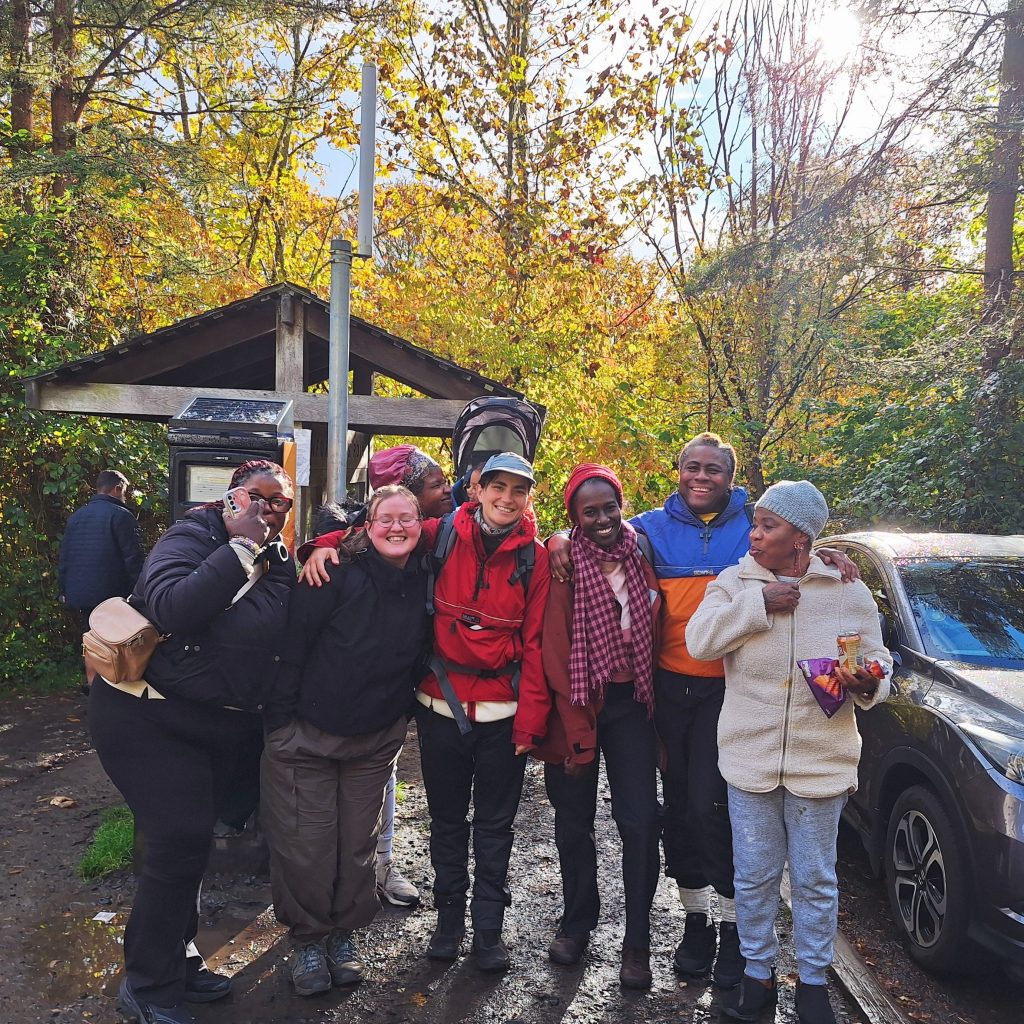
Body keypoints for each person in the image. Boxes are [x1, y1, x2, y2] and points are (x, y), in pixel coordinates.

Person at [547, 432, 857, 989]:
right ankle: (696, 920)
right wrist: (556, 540)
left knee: (713, 809)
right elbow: (596, 533)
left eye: (714, 469)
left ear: (731, 478)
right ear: (678, 471)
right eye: (691, 466)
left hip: (734, 693)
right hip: (665, 689)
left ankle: (737, 926)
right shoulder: (650, 530)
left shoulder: (754, 528)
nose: (701, 477)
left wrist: (829, 553)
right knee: (679, 813)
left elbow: (797, 546)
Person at [90, 459, 295, 1024]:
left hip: (210, 723)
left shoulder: (279, 560)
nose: (269, 510)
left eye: (282, 503)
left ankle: (177, 961)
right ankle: (148, 986)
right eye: (259, 497)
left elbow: (273, 639)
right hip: (143, 717)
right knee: (177, 839)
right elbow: (172, 607)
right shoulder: (190, 536)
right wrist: (237, 551)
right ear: (231, 497)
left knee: (186, 844)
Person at [686, 481, 891, 1024]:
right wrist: (759, 603)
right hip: (750, 760)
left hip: (822, 760)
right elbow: (700, 642)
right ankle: (757, 982)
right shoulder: (735, 582)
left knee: (814, 878)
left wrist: (868, 681)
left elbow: (877, 658)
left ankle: (814, 987)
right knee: (753, 875)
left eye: (768, 526)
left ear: (801, 537)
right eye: (754, 524)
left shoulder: (846, 589)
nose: (753, 535)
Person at [261, 485, 431, 996]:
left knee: (358, 847)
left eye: (407, 518)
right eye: (387, 519)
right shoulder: (330, 572)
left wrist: (400, 715)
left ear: (421, 524)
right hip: (305, 739)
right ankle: (309, 940)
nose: (397, 527)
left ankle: (343, 935)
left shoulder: (426, 573)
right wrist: (281, 724)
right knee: (306, 848)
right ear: (367, 525)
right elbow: (292, 647)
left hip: (373, 741)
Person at [416, 452, 550, 971]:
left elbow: (537, 644)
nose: (506, 498)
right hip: (438, 705)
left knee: (495, 827)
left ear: (528, 499)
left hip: (502, 715)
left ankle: (488, 932)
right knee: (447, 821)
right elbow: (382, 533)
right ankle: (448, 922)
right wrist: (320, 545)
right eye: (497, 486)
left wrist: (531, 721)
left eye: (519, 490)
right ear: (476, 489)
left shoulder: (534, 558)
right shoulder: (441, 535)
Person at [533, 464, 662, 989]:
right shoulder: (558, 560)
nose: (603, 518)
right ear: (574, 516)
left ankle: (637, 943)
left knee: (640, 822)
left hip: (633, 702)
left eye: (610, 507)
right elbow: (550, 646)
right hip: (577, 701)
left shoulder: (644, 552)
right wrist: (557, 537)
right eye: (590, 512)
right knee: (573, 823)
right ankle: (577, 922)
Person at [59, 470, 145, 685]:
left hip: (80, 593)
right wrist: (141, 591)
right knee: (114, 642)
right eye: (124, 492)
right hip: (112, 594)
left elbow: (65, 558)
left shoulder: (77, 516)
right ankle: (113, 687)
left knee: (91, 640)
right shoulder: (121, 516)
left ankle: (92, 684)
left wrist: (64, 590)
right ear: (117, 489)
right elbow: (133, 559)